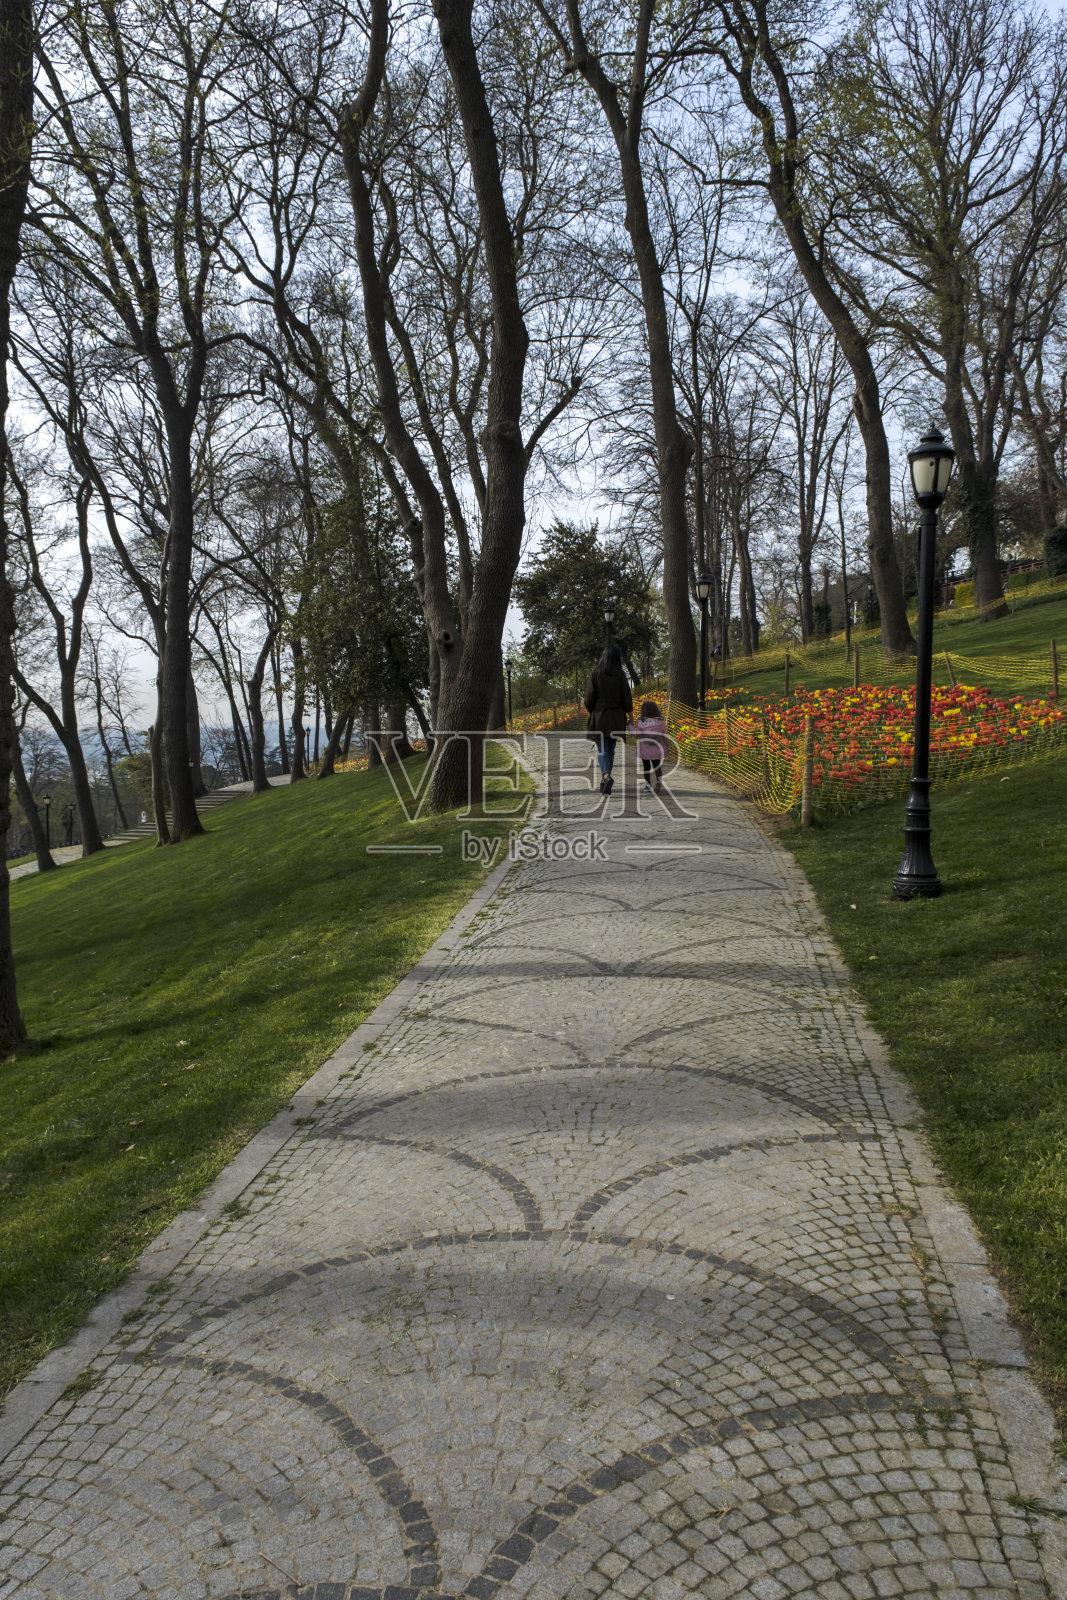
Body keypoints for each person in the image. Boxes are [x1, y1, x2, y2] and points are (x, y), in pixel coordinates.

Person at [584, 643, 632, 794]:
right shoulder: (621, 674)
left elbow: (589, 697)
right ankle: (605, 779)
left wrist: (591, 710)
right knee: (610, 749)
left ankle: (606, 776)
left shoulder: (596, 673)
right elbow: (627, 697)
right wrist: (631, 716)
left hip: (600, 716)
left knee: (602, 749)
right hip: (617, 716)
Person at [631, 700, 667, 793]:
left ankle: (648, 785)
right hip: (657, 749)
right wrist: (666, 747)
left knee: (646, 767)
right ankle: (659, 780)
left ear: (643, 710)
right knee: (657, 766)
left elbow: (636, 734)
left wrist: (629, 726)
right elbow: (664, 735)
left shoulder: (641, 722)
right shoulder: (661, 722)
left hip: (645, 750)